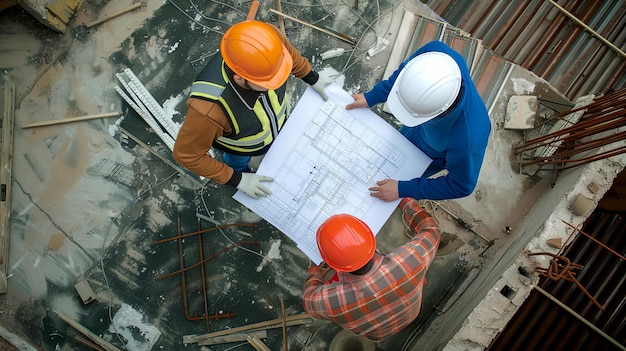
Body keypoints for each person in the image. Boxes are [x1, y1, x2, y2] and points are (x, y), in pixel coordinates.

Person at [173, 20, 332, 199]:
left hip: (273, 126)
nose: (280, 80)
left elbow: (289, 56)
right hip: (241, 149)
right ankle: (240, 168)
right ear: (240, 79)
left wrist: (312, 77)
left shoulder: (267, 41)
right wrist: (237, 178)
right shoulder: (209, 110)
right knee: (237, 162)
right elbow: (186, 155)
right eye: (269, 81)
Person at [346, 40, 491, 202]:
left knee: (387, 188)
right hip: (418, 132)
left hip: (431, 156)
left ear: (437, 113)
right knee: (383, 162)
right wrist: (372, 97)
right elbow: (405, 77)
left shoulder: (468, 142)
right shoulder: (436, 55)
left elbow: (461, 186)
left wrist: (403, 189)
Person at [302, 198, 440, 342]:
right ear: (370, 239)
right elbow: (432, 230)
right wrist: (407, 204)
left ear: (334, 266)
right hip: (411, 313)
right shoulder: (411, 261)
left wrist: (314, 273)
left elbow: (308, 301)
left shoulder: (334, 301)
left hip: (379, 335)